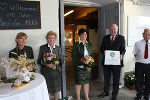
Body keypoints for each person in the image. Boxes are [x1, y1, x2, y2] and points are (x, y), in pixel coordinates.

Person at [99, 24, 126, 100]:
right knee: (106, 79)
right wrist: (104, 51)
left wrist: (121, 55)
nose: (113, 31)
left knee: (116, 80)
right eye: (111, 29)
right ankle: (106, 92)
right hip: (107, 63)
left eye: (114, 29)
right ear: (109, 30)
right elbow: (101, 48)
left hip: (117, 63)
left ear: (117, 30)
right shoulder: (105, 38)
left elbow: (123, 49)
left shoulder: (121, 38)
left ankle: (114, 94)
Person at [37, 31, 62, 100]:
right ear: (47, 39)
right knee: (47, 89)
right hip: (46, 72)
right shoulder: (42, 48)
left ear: (55, 39)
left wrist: (57, 62)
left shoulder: (58, 48)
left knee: (56, 89)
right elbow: (39, 61)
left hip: (56, 72)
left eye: (53, 38)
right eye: (49, 38)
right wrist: (46, 64)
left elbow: (62, 60)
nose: (51, 40)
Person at [71, 28, 93, 100]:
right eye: (82, 34)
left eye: (85, 34)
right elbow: (73, 56)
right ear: (79, 36)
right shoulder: (76, 45)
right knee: (79, 82)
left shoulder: (89, 44)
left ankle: (87, 97)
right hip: (79, 66)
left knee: (86, 82)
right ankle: (78, 97)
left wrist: (90, 63)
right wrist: (83, 62)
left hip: (88, 67)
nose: (84, 36)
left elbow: (91, 55)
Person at [133, 28, 150, 100]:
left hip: (149, 65)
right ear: (143, 35)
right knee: (139, 81)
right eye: (145, 34)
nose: (147, 36)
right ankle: (139, 95)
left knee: (148, 81)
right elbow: (135, 54)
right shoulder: (138, 43)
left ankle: (146, 95)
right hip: (139, 65)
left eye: (148, 35)